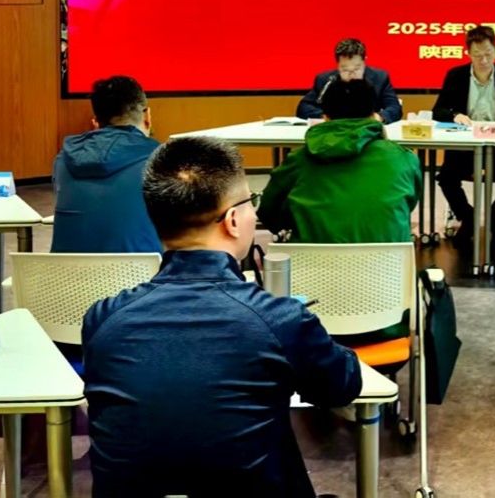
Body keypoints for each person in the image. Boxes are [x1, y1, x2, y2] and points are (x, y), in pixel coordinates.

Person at [82, 136, 362, 498]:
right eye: (250, 202)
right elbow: (341, 387)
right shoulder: (280, 321)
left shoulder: (102, 319)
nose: (255, 214)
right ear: (232, 220)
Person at [260, 78, 421, 245]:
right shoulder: (404, 158)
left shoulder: (298, 160)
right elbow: (407, 205)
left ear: (325, 117)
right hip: (387, 261)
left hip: (312, 261)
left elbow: (268, 214)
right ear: (375, 116)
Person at [432, 25, 495, 244]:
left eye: (488, 53)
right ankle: (468, 217)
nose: (484, 60)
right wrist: (455, 116)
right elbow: (438, 111)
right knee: (447, 178)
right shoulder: (456, 76)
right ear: (468, 53)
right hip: (466, 144)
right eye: (478, 55)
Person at [51, 74, 160, 254]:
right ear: (147, 115)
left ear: (96, 121)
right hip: (140, 271)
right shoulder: (162, 161)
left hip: (64, 272)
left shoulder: (63, 159)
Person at [297, 37, 401, 124]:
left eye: (357, 68)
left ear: (365, 61)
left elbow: (395, 108)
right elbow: (303, 108)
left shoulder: (380, 78)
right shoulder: (326, 80)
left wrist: (378, 117)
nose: (351, 74)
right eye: (345, 69)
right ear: (338, 64)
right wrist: (329, 117)